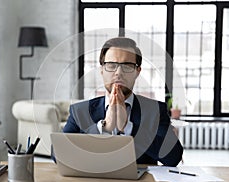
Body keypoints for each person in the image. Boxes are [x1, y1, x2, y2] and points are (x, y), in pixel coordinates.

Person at [63, 37, 183, 166]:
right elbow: (58, 155)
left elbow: (173, 157)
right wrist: (103, 126)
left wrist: (128, 126)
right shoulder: (79, 110)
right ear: (102, 70)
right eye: (111, 65)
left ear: (137, 72)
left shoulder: (155, 110)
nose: (118, 73)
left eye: (127, 66)